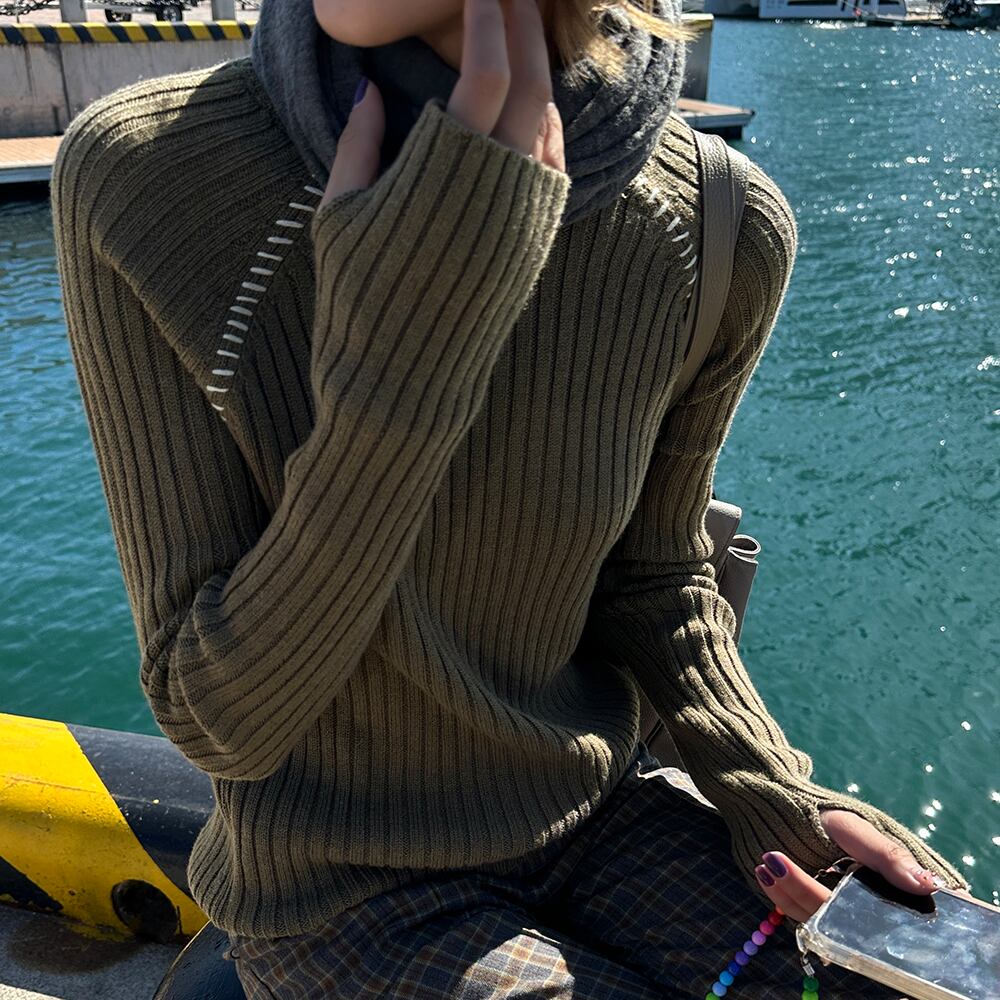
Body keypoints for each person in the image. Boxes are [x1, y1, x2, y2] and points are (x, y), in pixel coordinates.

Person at [49, 0, 970, 995]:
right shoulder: (148, 173)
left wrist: (777, 797)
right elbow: (222, 720)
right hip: (334, 888)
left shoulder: (717, 221)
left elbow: (654, 577)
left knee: (923, 974)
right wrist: (401, 365)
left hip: (600, 816)